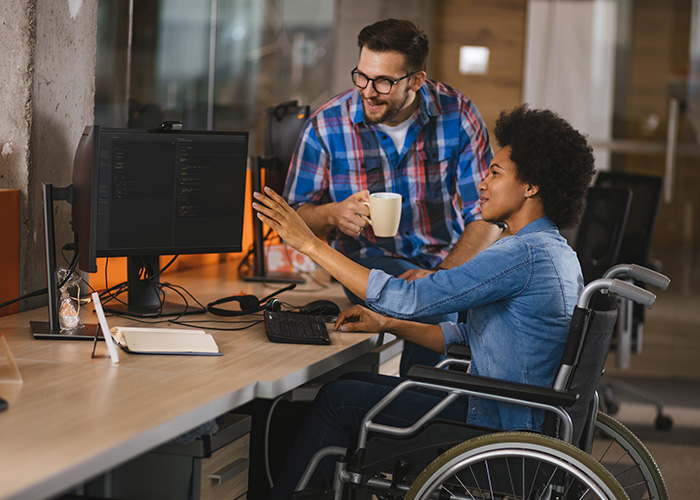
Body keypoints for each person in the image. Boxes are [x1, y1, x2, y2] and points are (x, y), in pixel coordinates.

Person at [255, 104, 596, 498]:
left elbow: (412, 297)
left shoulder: (520, 255)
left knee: (337, 398)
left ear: (530, 186)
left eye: (495, 174)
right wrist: (389, 324)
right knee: (350, 385)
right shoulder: (556, 251)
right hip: (519, 414)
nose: (481, 185)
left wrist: (311, 244)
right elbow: (475, 338)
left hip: (496, 423)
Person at [283, 18, 502, 374]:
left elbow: (487, 216)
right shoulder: (327, 124)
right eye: (362, 76)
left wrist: (442, 279)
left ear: (416, 80)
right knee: (436, 312)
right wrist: (333, 214)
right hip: (368, 261)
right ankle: (413, 415)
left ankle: (450, 411)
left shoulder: (458, 114)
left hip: (446, 260)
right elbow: (292, 215)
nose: (368, 91)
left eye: (383, 81)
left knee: (472, 310)